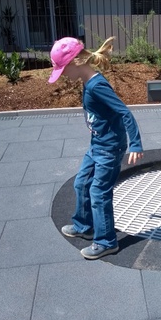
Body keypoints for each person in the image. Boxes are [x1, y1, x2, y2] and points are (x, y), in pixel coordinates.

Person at [48, 36, 143, 259]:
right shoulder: (87, 81)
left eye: (63, 70)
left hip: (109, 148)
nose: (63, 75)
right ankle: (85, 226)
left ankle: (107, 242)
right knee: (82, 183)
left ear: (75, 62)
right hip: (97, 145)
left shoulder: (97, 85)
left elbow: (124, 112)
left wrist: (135, 143)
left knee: (99, 193)